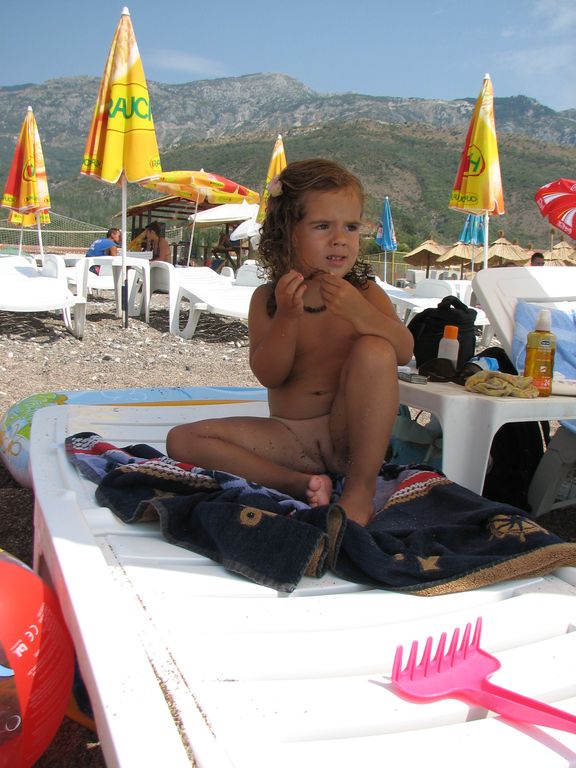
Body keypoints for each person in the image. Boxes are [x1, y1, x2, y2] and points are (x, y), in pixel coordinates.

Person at [166, 159, 414, 527]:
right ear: (288, 233)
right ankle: (299, 483)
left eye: (350, 227)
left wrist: (362, 315)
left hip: (350, 436)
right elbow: (270, 375)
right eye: (322, 226)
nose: (340, 239)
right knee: (182, 439)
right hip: (290, 438)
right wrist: (287, 317)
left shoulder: (365, 293)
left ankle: (360, 489)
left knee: (376, 349)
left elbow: (404, 351)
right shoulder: (269, 298)